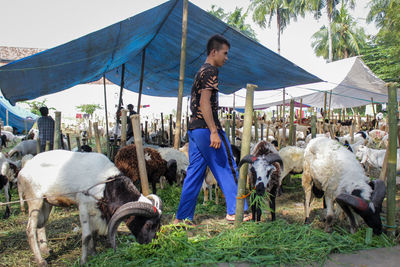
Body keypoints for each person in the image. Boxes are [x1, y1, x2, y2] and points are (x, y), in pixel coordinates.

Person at [174, 34, 249, 224]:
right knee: (227, 165)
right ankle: (237, 210)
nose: (227, 57)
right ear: (214, 52)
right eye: (225, 53)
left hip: (195, 129)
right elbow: (205, 103)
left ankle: (182, 218)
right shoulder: (211, 71)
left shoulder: (200, 70)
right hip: (206, 129)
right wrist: (214, 131)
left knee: (195, 173)